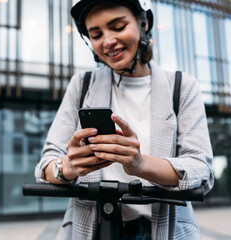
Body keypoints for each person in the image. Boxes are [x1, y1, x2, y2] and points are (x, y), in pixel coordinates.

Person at [35, 0, 214, 239]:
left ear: (144, 23)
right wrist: (68, 166)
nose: (108, 41)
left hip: (163, 230)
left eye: (118, 27)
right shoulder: (82, 85)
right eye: (96, 34)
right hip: (92, 229)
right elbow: (45, 166)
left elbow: (201, 169)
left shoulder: (181, 86)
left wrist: (140, 164)